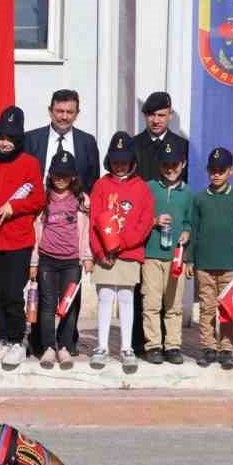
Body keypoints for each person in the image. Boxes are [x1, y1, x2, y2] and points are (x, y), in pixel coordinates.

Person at [0, 106, 46, 368]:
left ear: (19, 140)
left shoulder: (30, 163)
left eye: (10, 139)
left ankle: (18, 340)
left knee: (13, 293)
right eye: (1, 138)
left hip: (18, 239)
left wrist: (12, 207)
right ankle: (3, 337)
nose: (4, 143)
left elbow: (38, 199)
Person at [88, 133, 155, 373]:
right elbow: (94, 220)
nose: (120, 165)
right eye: (115, 160)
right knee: (105, 297)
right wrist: (98, 250)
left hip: (128, 253)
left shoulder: (142, 188)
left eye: (124, 160)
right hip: (104, 255)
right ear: (109, 160)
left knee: (126, 298)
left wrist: (121, 244)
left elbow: (145, 223)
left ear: (132, 161)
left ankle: (126, 347)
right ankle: (101, 346)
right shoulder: (101, 185)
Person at [130, 90, 189, 356]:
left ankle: (171, 343)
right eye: (151, 115)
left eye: (161, 115)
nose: (156, 120)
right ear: (145, 116)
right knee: (144, 293)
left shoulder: (182, 145)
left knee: (171, 296)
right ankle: (144, 342)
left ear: (170, 114)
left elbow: (187, 191)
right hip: (144, 229)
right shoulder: (135, 144)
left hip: (172, 228)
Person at [29, 150, 92, 369]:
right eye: (57, 174)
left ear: (73, 176)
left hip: (72, 262)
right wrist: (34, 262)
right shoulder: (44, 198)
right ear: (50, 174)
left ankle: (64, 347)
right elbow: (36, 231)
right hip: (47, 260)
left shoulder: (82, 200)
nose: (61, 178)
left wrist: (87, 257)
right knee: (47, 305)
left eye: (66, 174)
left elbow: (86, 232)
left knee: (69, 304)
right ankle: (48, 347)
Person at [191, 146, 233, 370]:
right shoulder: (199, 199)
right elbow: (194, 230)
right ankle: (208, 347)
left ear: (231, 172)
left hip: (229, 264)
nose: (216, 174)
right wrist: (189, 260)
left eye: (221, 170)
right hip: (205, 264)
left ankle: (227, 348)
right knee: (206, 307)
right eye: (212, 170)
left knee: (227, 309)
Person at [142, 138, 194, 365]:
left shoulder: (188, 193)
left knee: (173, 304)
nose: (170, 169)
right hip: (152, 255)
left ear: (182, 164)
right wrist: (154, 220)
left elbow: (192, 222)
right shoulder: (149, 187)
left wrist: (187, 233)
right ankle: (153, 345)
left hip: (176, 258)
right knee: (151, 302)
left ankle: (172, 345)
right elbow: (139, 220)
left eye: (175, 164)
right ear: (159, 165)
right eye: (166, 164)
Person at [24, 89, 101, 195]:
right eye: (60, 111)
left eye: (70, 112)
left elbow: (93, 182)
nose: (64, 117)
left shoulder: (88, 142)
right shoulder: (30, 139)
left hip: (75, 208)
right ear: (50, 111)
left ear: (77, 114)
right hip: (37, 207)